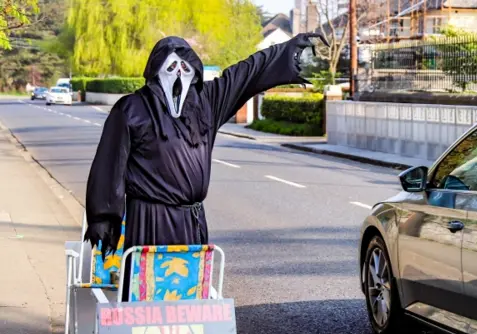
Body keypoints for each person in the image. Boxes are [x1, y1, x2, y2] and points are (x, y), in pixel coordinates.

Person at [83, 34, 327, 297]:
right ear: (155, 70)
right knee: (148, 293)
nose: (178, 75)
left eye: (184, 68)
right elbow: (110, 164)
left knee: (189, 294)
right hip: (149, 217)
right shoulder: (132, 108)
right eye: (171, 67)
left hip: (191, 220)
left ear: (194, 71)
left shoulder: (206, 103)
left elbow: (245, 74)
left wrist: (291, 49)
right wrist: (103, 217)